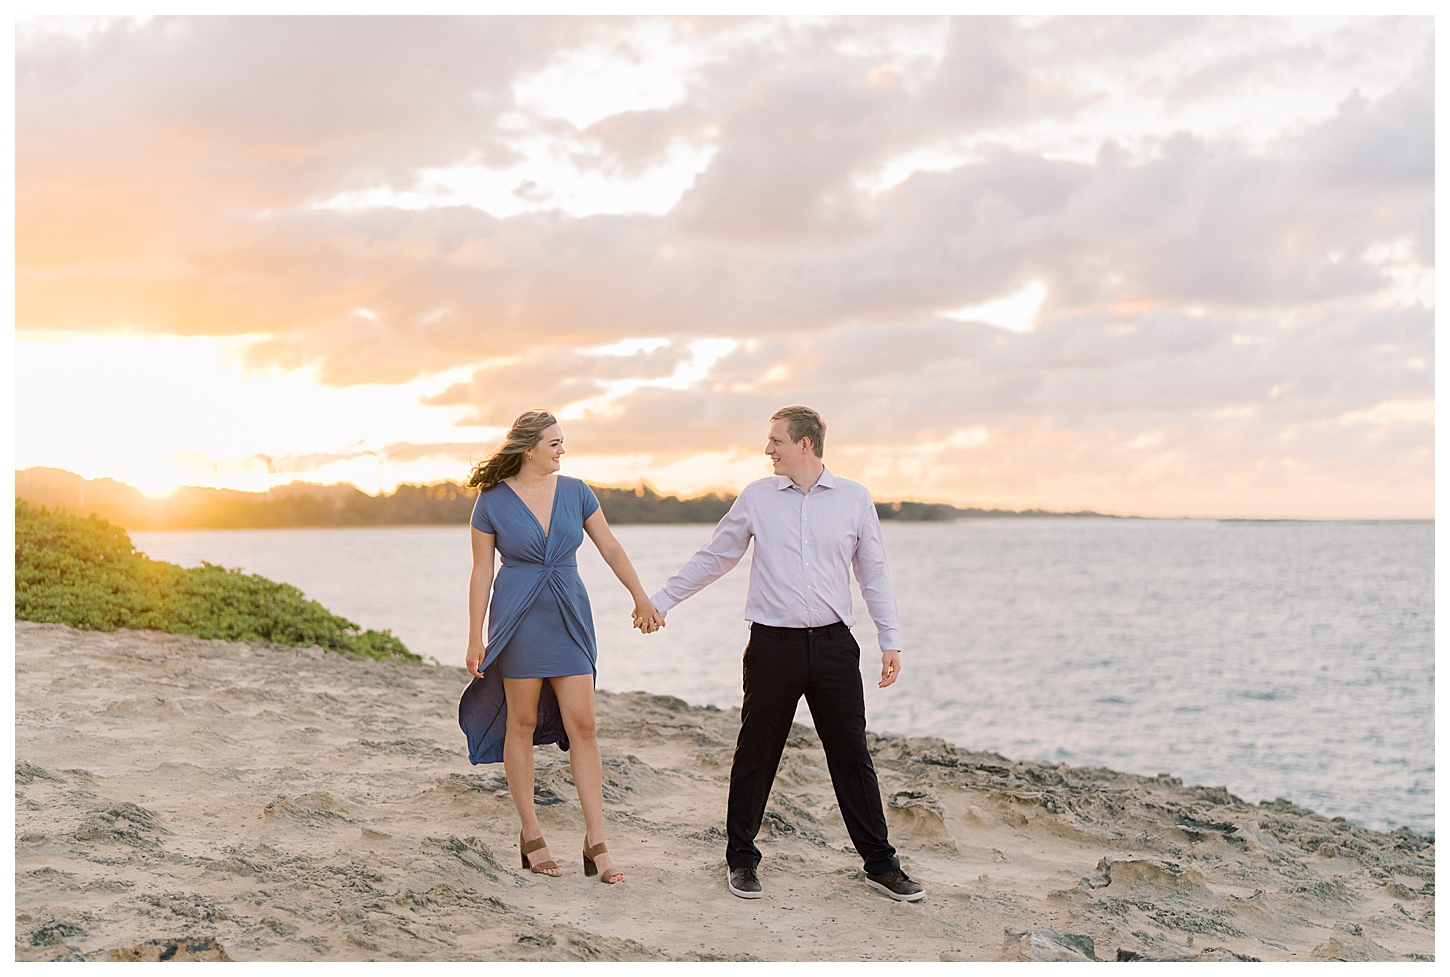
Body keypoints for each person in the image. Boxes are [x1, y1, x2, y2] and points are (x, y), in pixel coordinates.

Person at [648, 406, 925, 902]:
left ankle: (881, 864)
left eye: (776, 440)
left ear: (805, 444)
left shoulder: (854, 500)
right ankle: (741, 860)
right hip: (772, 647)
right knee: (756, 753)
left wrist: (891, 640)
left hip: (836, 647)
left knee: (852, 756)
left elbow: (874, 574)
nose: (767, 449)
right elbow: (717, 556)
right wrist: (663, 600)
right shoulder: (757, 497)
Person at [458, 409, 664, 886]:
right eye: (554, 443)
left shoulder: (577, 492)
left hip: (570, 614)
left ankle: (597, 840)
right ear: (529, 448)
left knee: (584, 724)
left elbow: (609, 546)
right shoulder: (489, 502)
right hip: (519, 617)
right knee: (522, 722)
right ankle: (531, 833)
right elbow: (481, 571)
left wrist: (640, 596)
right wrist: (475, 636)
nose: (561, 450)